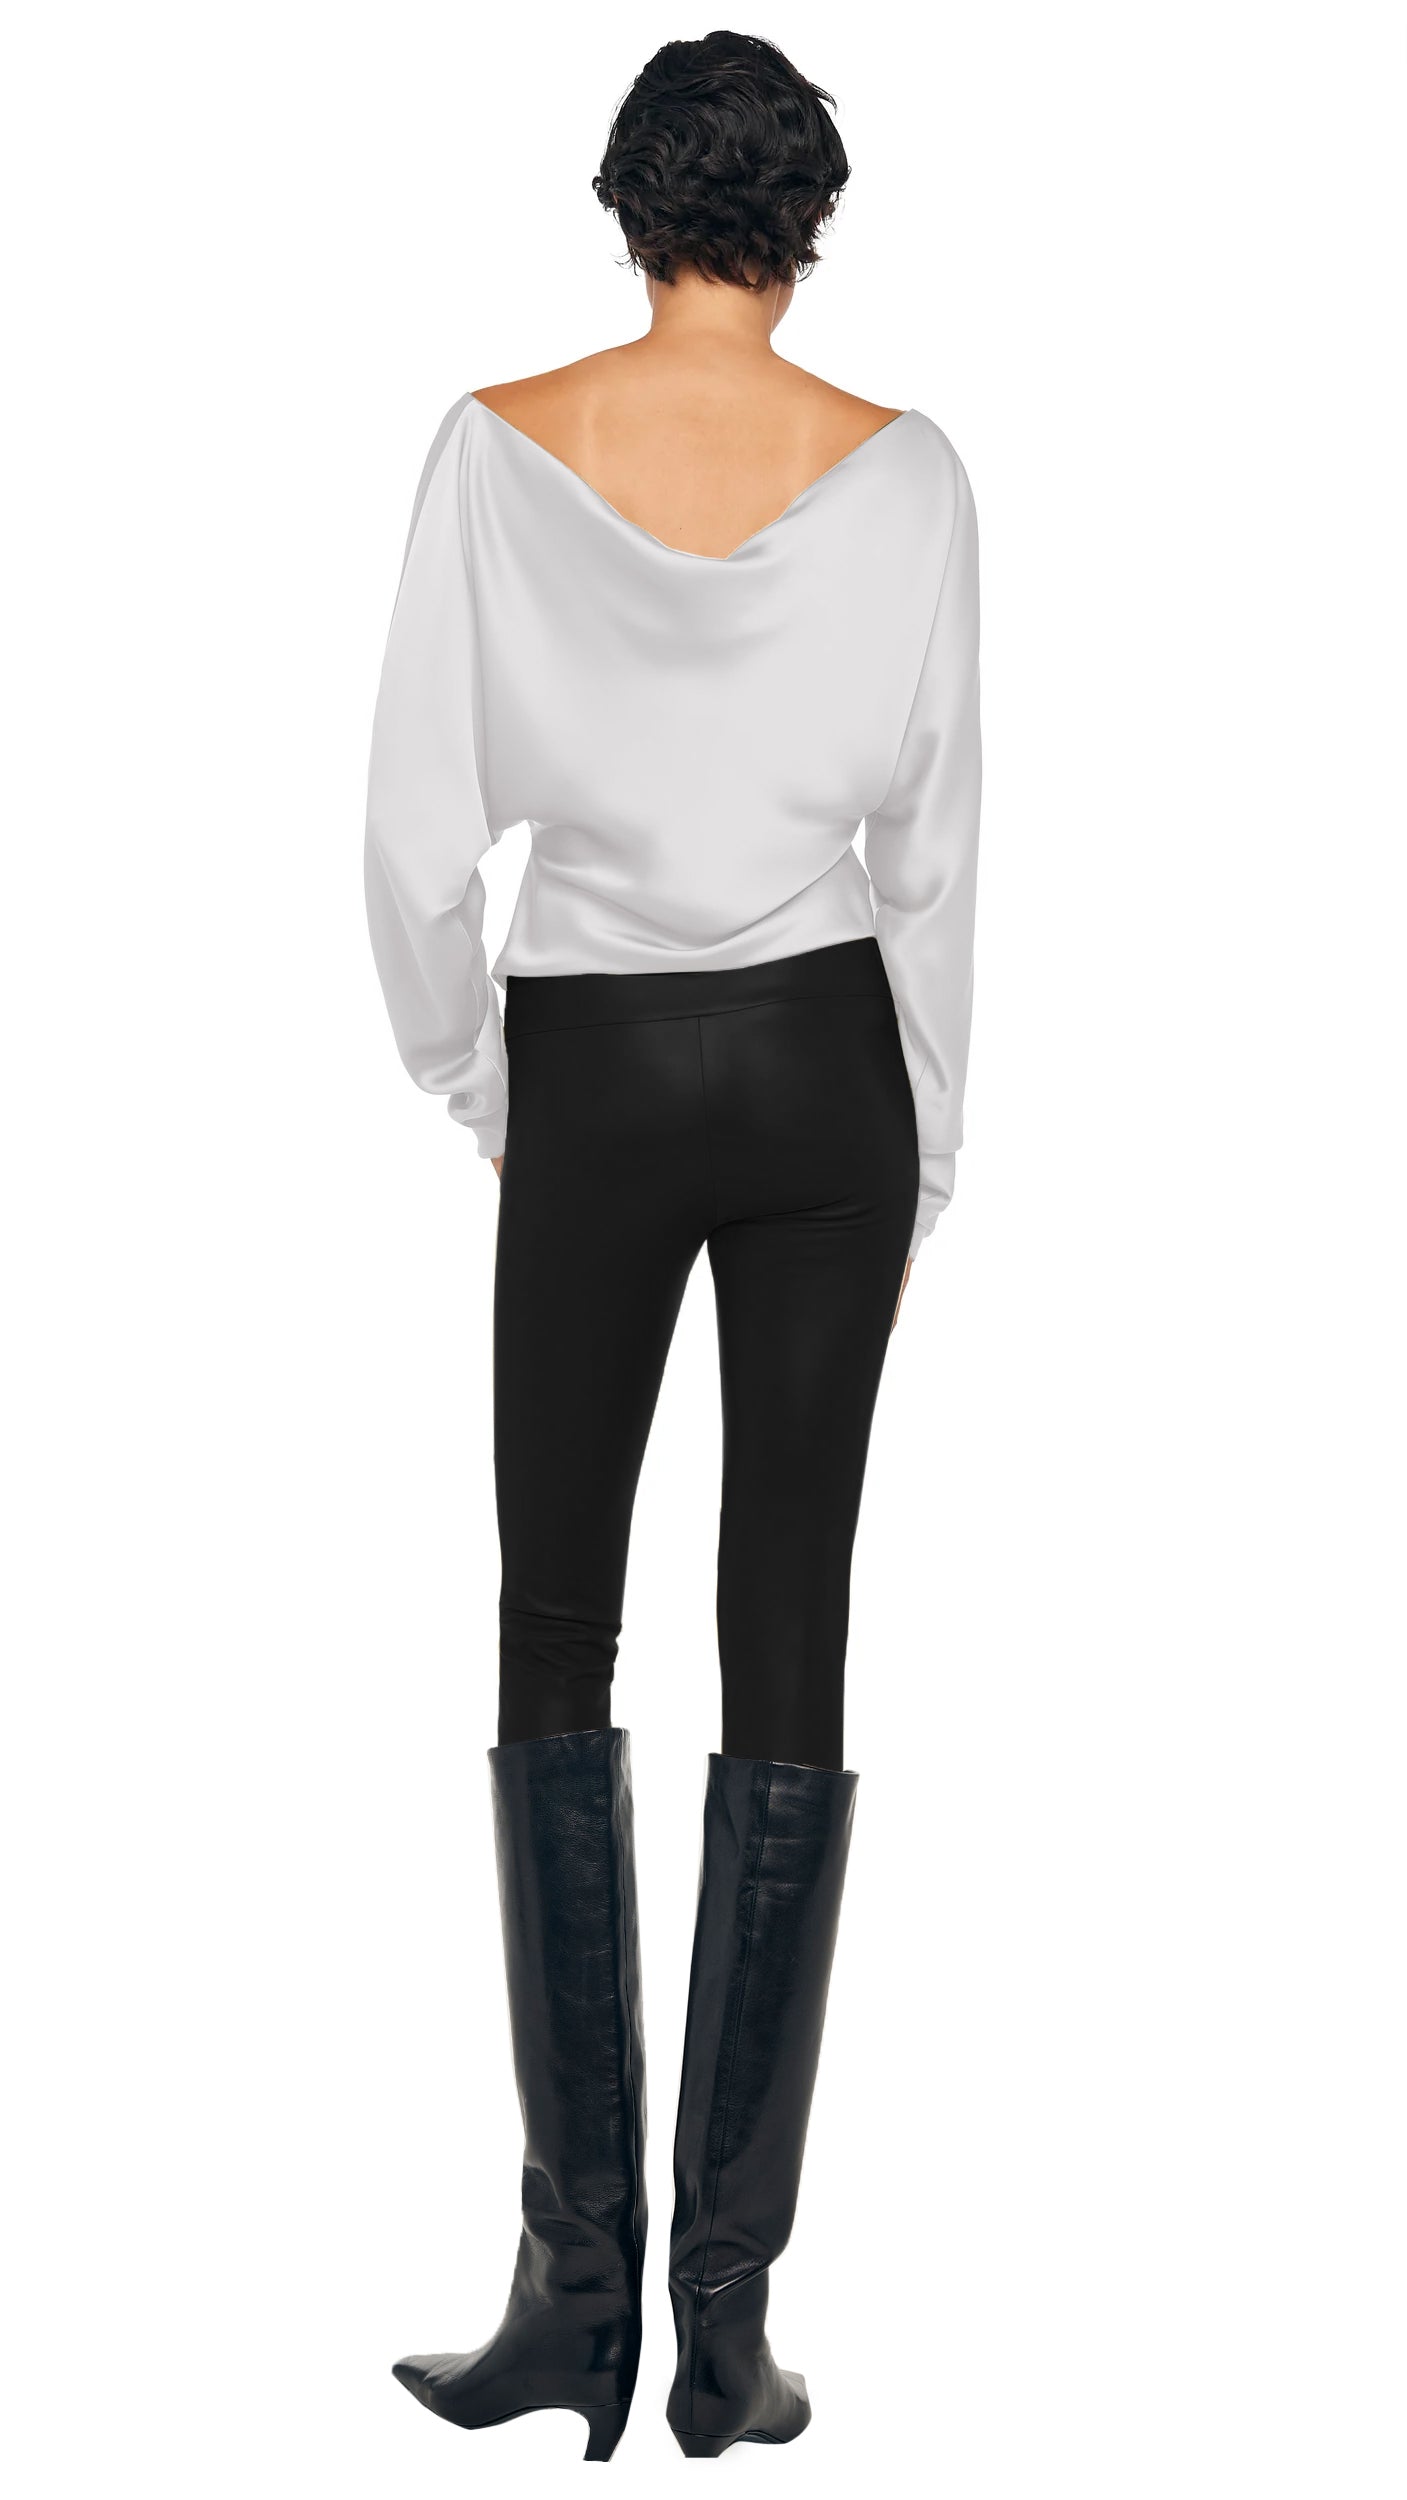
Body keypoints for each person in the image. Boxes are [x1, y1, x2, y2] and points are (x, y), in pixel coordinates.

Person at [364, 29, 982, 2464]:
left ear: (625, 209)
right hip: (827, 1067)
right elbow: (934, 852)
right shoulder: (907, 477)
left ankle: (571, 2281)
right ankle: (722, 2317)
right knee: (788, 1630)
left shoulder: (493, 450)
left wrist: (476, 1082)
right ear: (805, 221)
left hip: (596, 1070)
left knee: (551, 1623)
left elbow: (412, 835)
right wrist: (922, 1155)